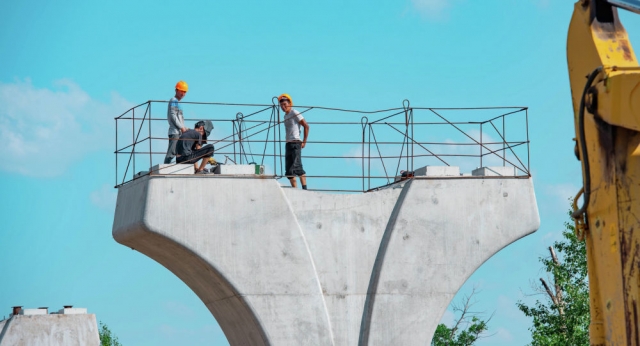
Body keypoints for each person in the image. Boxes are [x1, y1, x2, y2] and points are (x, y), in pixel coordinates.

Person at [278, 93, 310, 189]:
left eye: (285, 105)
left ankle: (304, 189)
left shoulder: (295, 112)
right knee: (289, 171)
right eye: (281, 106)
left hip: (296, 142)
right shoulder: (285, 116)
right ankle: (294, 190)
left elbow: (306, 126)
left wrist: (304, 141)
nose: (283, 107)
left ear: (290, 104)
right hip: (288, 143)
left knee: (297, 166)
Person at [164, 80, 189, 164]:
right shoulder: (174, 100)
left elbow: (180, 117)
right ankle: (165, 167)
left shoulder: (178, 102)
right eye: (181, 91)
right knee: (171, 153)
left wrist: (183, 127)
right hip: (175, 131)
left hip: (179, 131)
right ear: (177, 90)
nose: (183, 94)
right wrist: (181, 127)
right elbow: (173, 116)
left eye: (185, 92)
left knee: (179, 152)